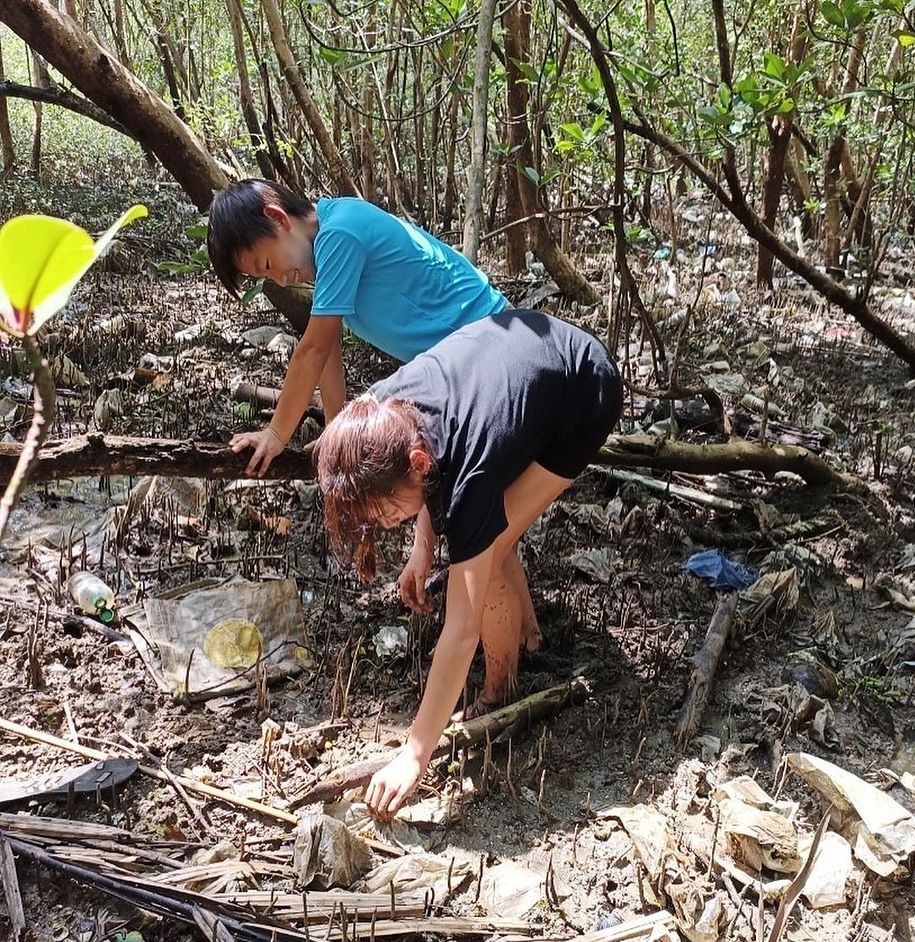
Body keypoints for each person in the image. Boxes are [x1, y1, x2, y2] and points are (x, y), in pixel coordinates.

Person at [315, 309, 622, 819]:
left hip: (584, 391)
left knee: (492, 549)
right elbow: (433, 478)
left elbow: (460, 629)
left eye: (387, 512)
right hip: (520, 363)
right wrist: (422, 548)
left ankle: (500, 689)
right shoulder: (381, 410)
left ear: (415, 466)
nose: (384, 525)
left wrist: (414, 756)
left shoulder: (469, 474)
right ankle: (530, 633)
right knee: (479, 535)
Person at [206, 179, 507, 478]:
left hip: (488, 342)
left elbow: (313, 350)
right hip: (466, 353)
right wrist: (334, 431)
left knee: (395, 425)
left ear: (278, 218)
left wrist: (275, 433)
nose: (281, 280)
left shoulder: (339, 235)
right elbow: (328, 348)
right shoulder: (326, 237)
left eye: (268, 264)